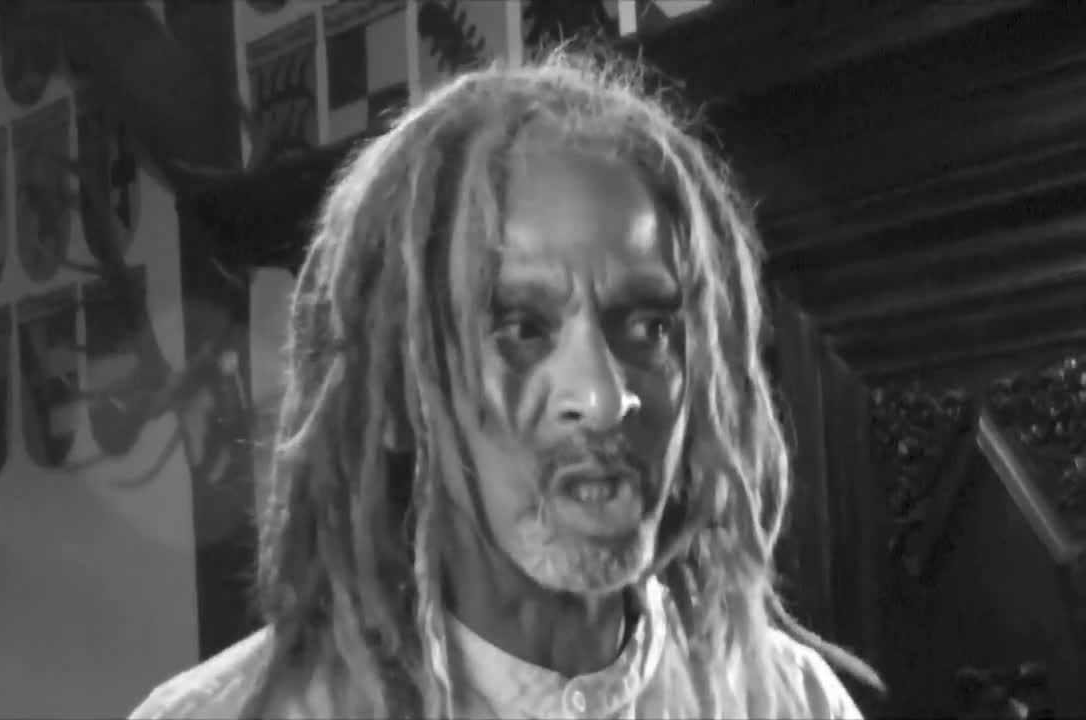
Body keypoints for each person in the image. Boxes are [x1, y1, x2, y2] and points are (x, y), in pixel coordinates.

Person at [131, 49, 882, 719]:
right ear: (396, 395)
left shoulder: (791, 703)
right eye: (522, 327)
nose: (603, 399)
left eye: (650, 327)